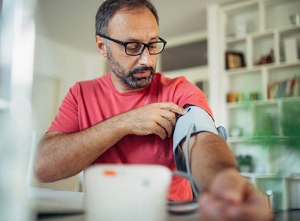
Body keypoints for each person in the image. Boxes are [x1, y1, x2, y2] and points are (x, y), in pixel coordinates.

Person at [35, 0, 272, 220]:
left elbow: (201, 139)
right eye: (133, 46)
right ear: (102, 46)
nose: (147, 60)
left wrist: (223, 178)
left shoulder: (179, 90)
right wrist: (124, 123)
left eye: (152, 45)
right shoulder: (81, 95)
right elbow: (43, 167)